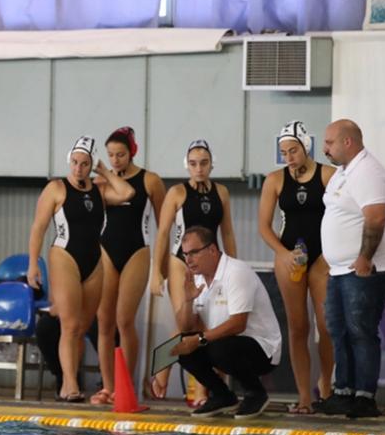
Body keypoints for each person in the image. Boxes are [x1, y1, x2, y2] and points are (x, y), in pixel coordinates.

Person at [27, 136, 134, 402]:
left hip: (94, 261)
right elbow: (38, 228)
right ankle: (70, 385)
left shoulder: (99, 190)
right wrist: (32, 264)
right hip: (64, 256)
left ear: (92, 164)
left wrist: (104, 171)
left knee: (83, 326)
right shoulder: (56, 188)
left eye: (85, 164)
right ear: (69, 160)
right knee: (70, 325)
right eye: (74, 162)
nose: (78, 168)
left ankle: (68, 384)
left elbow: (127, 193)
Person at [151, 226, 282, 419]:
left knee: (217, 346)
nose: (188, 260)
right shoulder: (197, 280)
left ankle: (256, 393)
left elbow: (238, 324)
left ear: (212, 250)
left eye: (194, 253)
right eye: (185, 254)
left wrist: (199, 339)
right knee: (181, 346)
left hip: (263, 350)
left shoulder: (236, 272)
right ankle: (222, 396)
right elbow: (186, 327)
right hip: (228, 345)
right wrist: (187, 301)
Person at [317, 119, 385, 419]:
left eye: (329, 143)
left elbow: (376, 217)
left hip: (366, 268)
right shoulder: (342, 173)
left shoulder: (368, 171)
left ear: (348, 142)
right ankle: (344, 392)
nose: (325, 149)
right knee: (339, 331)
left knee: (360, 331)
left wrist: (365, 258)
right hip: (341, 269)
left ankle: (364, 397)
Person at [149, 139, 237, 405]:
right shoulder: (177, 193)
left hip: (212, 264)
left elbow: (227, 233)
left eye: (204, 163)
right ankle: (163, 370)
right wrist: (157, 271)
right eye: (194, 163)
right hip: (181, 262)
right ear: (186, 165)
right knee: (186, 323)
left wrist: (233, 268)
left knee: (211, 327)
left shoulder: (222, 192)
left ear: (211, 165)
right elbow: (163, 234)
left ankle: (201, 390)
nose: (199, 168)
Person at [258, 121, 336, 414]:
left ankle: (325, 385)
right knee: (298, 327)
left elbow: (343, 217)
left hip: (322, 257)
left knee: (326, 326)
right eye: (284, 152)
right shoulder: (275, 180)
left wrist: (332, 254)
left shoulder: (328, 175)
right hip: (289, 255)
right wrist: (283, 253)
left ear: (306, 147)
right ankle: (304, 397)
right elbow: (264, 227)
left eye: (293, 150)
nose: (289, 157)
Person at [93, 126, 166, 405]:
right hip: (106, 250)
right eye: (111, 155)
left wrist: (161, 267)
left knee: (124, 320)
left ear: (132, 152)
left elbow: (163, 226)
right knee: (104, 321)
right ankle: (108, 387)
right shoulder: (101, 183)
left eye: (120, 155)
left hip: (137, 250)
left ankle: (126, 386)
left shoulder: (150, 180)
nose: (115, 160)